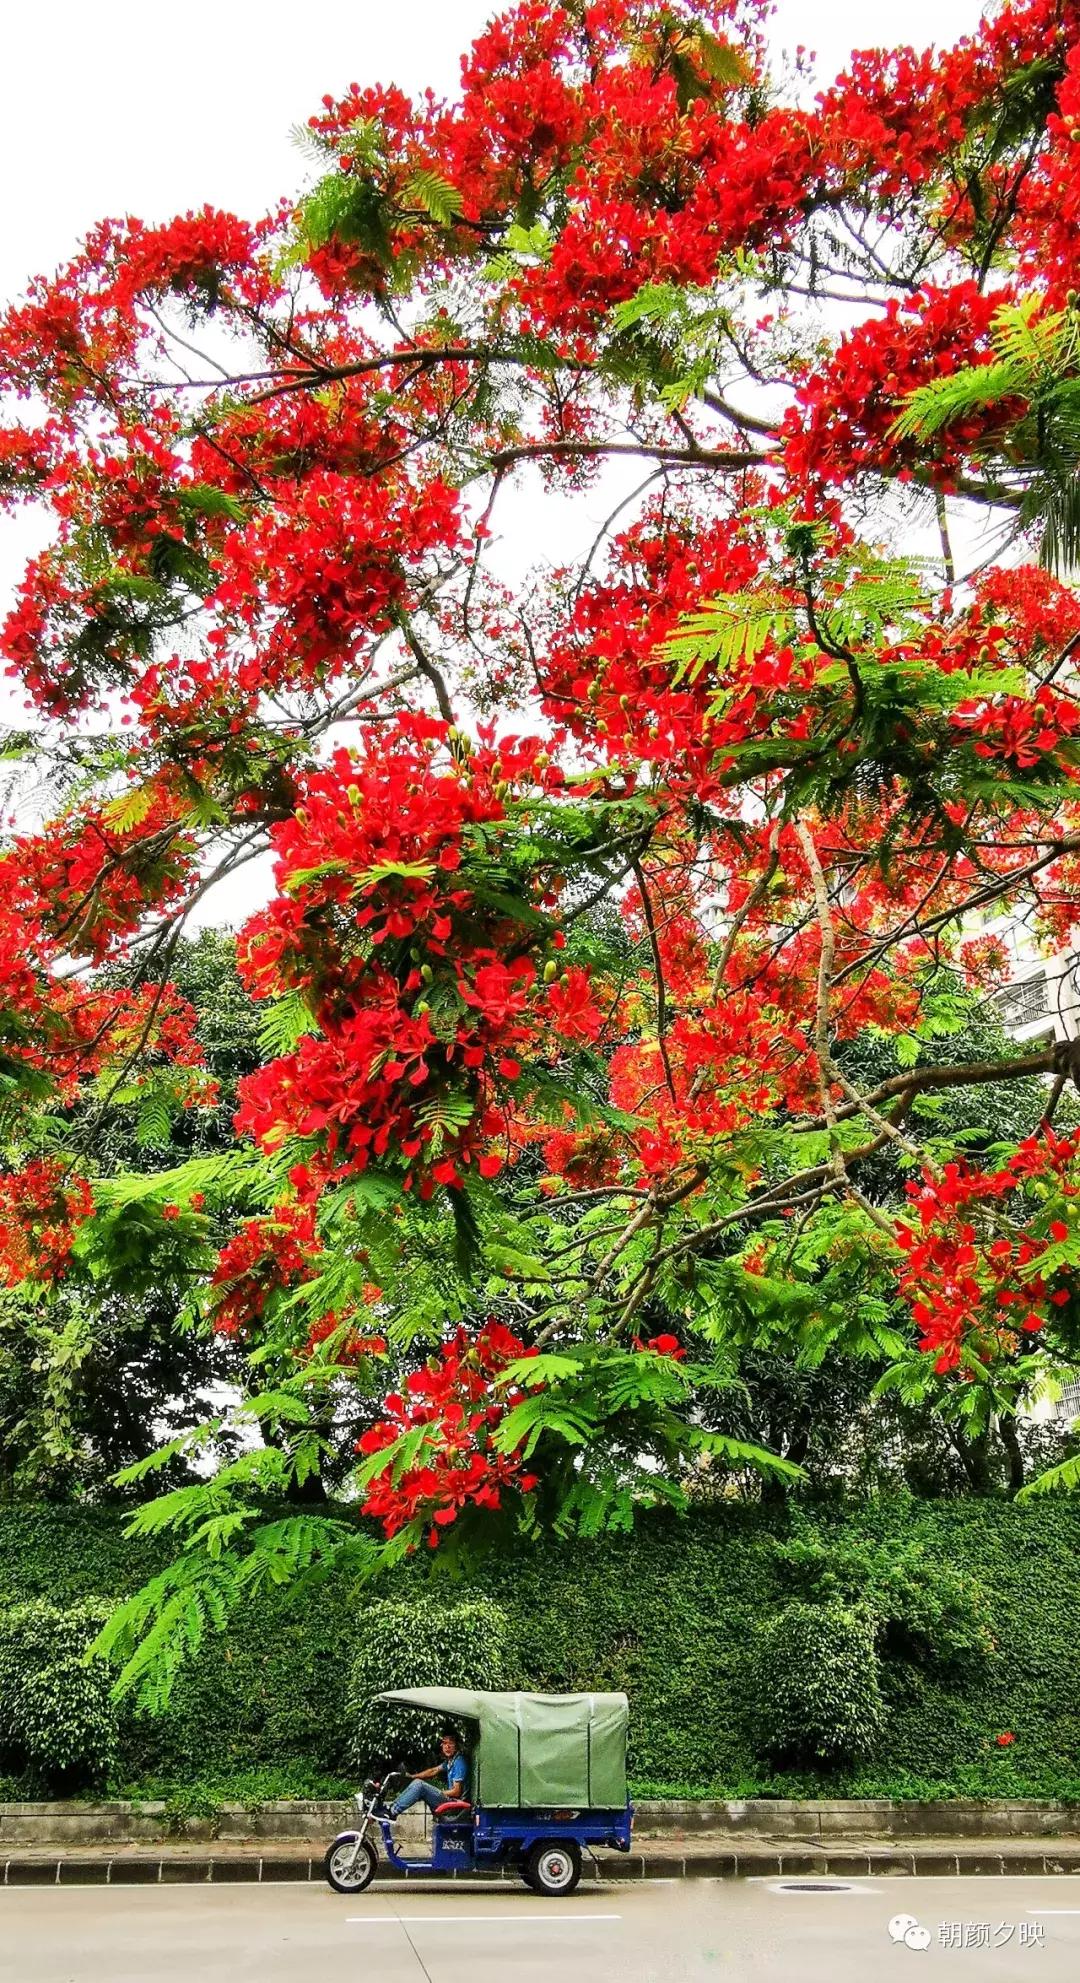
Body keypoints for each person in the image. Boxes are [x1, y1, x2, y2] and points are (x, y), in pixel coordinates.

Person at [389, 1729, 468, 1819]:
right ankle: (390, 1808)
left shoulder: (459, 1762)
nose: (447, 1747)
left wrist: (439, 1792)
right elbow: (433, 1771)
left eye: (451, 1743)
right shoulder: (450, 1762)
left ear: (456, 1745)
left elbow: (456, 1792)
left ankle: (392, 1812)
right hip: (452, 1802)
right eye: (445, 1743)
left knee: (419, 1785)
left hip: (456, 1805)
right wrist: (412, 1776)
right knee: (417, 1783)